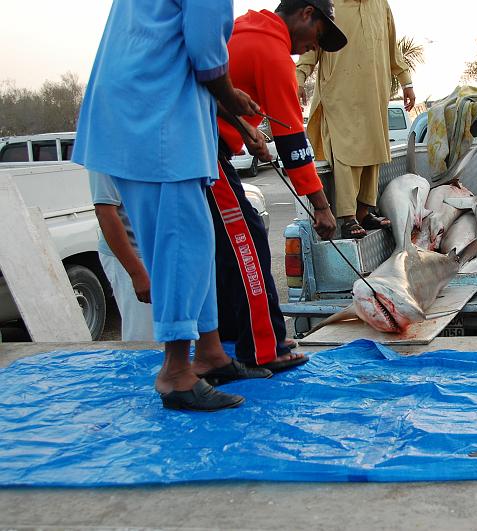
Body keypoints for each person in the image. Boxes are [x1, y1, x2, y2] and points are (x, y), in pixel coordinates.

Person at [73, 0, 274, 411]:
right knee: (181, 242)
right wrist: (234, 100)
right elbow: (205, 52)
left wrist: (234, 116)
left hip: (149, 106)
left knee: (194, 238)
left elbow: (180, 48)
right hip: (156, 116)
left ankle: (211, 353)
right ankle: (176, 371)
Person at [210, 0, 342, 372]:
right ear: (306, 13)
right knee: (248, 243)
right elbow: (293, 142)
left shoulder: (245, 28)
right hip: (204, 153)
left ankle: (231, 340)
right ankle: (264, 348)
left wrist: (244, 128)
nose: (314, 47)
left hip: (197, 145)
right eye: (319, 36)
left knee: (220, 254)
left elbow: (210, 91)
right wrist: (321, 206)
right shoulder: (272, 50)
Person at [296, 0, 415, 239]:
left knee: (373, 153)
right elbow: (312, 44)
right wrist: (299, 77)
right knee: (346, 153)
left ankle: (363, 212)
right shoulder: (328, 4)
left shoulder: (380, 4)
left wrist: (406, 82)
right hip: (340, 95)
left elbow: (393, 47)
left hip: (375, 94)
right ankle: (348, 217)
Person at [90, 172, 154, 342]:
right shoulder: (107, 149)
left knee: (176, 335)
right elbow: (105, 212)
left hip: (162, 252)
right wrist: (137, 274)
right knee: (144, 339)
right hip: (134, 254)